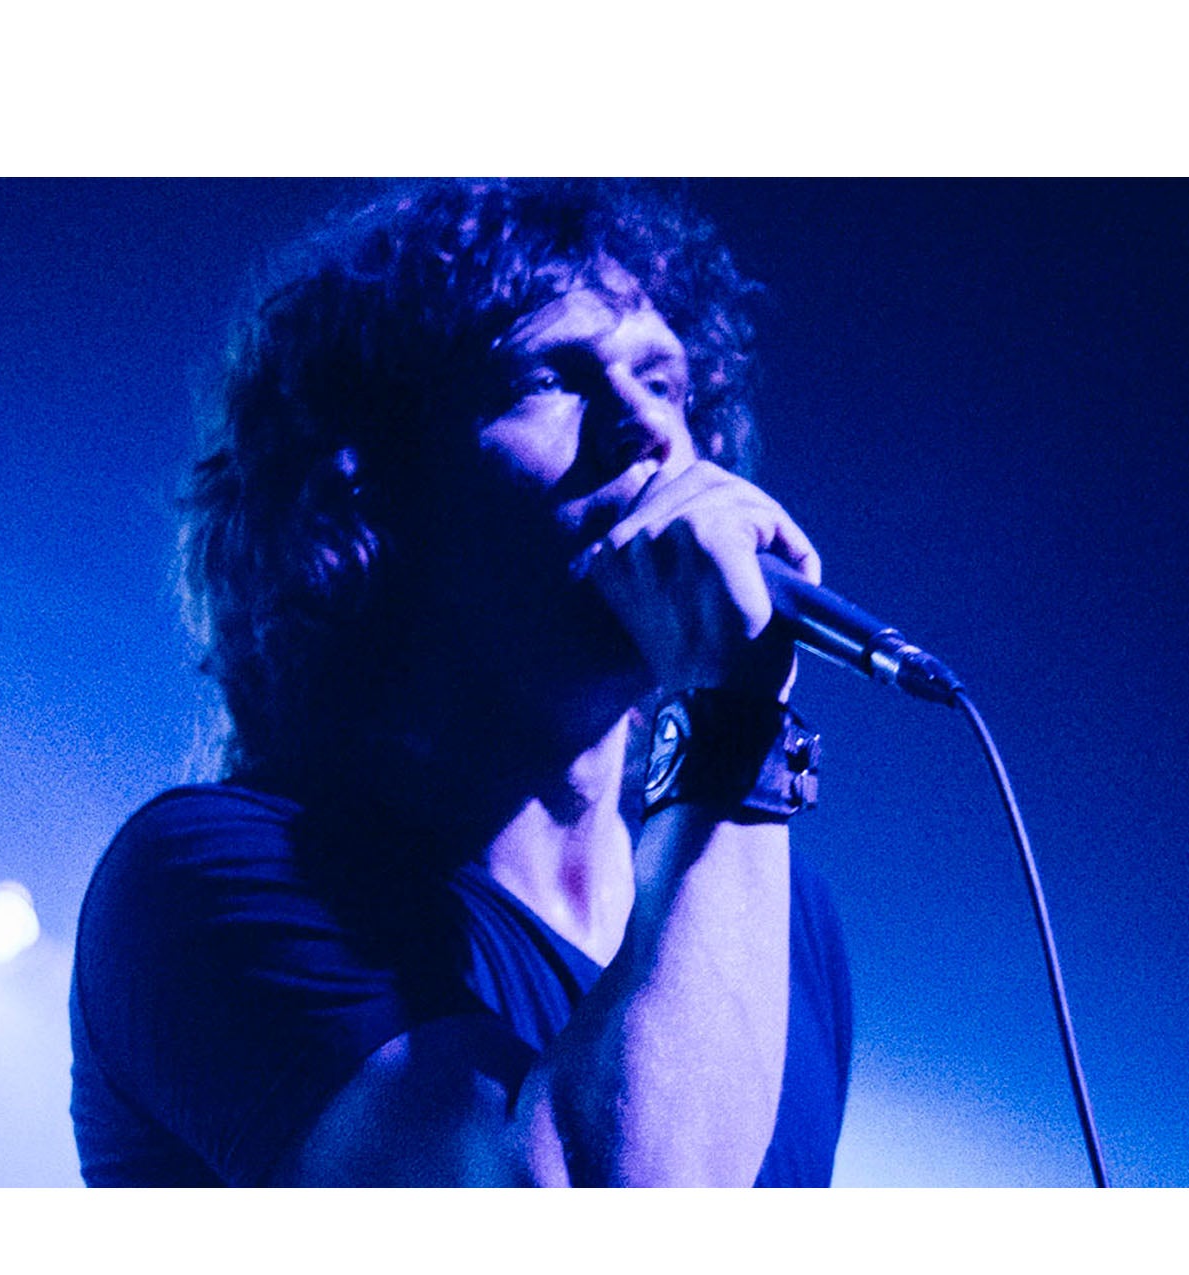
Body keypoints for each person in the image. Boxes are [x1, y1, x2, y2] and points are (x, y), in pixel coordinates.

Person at [69, 180, 851, 1186]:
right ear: (376, 488)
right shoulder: (201, 878)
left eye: (664, 381)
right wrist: (733, 729)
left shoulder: (784, 916)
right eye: (547, 378)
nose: (644, 427)